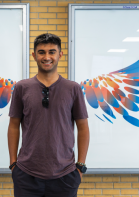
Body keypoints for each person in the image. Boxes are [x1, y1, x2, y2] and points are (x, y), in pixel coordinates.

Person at [8, 33, 90, 197]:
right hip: (26, 175)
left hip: (65, 175)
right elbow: (13, 125)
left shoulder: (72, 88)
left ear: (60, 54)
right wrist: (13, 164)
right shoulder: (22, 88)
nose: (47, 57)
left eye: (52, 52)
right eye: (41, 52)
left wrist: (80, 166)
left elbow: (83, 128)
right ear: (34, 55)